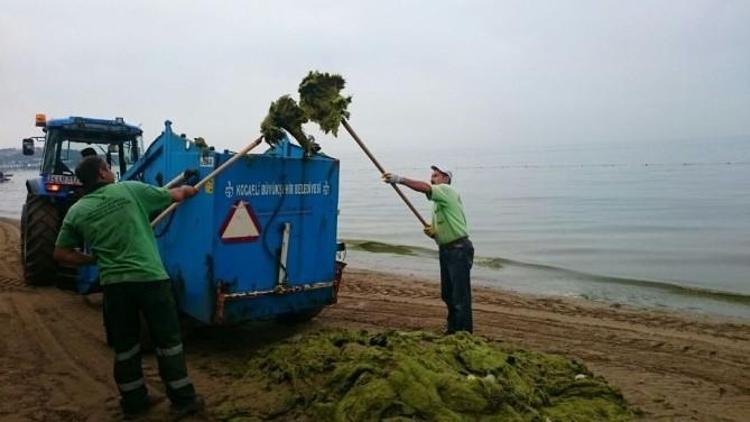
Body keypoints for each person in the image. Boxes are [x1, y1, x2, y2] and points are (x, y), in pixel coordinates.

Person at [53, 155, 204, 419]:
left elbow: (61, 253)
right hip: (151, 280)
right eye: (107, 168)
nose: (111, 172)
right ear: (101, 174)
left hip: (115, 287)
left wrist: (91, 259)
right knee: (168, 342)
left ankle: (134, 402)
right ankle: (183, 400)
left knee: (125, 347)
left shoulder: (77, 211)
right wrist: (192, 190)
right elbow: (176, 194)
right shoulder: (128, 189)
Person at [383, 165, 474, 334]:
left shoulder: (447, 190)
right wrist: (435, 233)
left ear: (446, 178)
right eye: (432, 175)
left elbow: (425, 187)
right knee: (448, 294)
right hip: (447, 249)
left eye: (436, 175)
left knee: (460, 296)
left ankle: (464, 333)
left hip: (459, 249)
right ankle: (453, 328)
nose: (432, 178)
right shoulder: (438, 204)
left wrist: (400, 179)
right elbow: (447, 226)